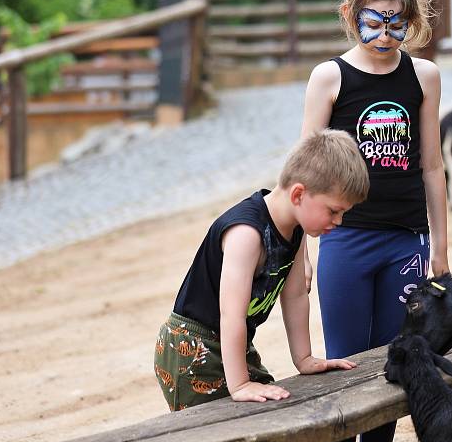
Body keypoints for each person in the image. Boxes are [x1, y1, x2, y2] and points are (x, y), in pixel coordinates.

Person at [300, 0, 451, 442]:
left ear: (412, 20)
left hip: (405, 241)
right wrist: (301, 250)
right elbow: (303, 172)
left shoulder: (423, 76)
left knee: (394, 360)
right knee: (343, 360)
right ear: (351, 14)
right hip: (346, 239)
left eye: (396, 24)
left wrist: (440, 246)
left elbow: (432, 165)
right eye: (373, 24)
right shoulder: (330, 78)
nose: (385, 36)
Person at [153, 129, 369, 411]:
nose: (338, 221)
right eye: (333, 211)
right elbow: (231, 315)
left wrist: (303, 358)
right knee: (221, 430)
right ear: (299, 194)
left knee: (274, 407)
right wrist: (240, 384)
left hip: (234, 342)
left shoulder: (295, 229)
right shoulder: (247, 234)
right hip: (191, 346)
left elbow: (294, 296)